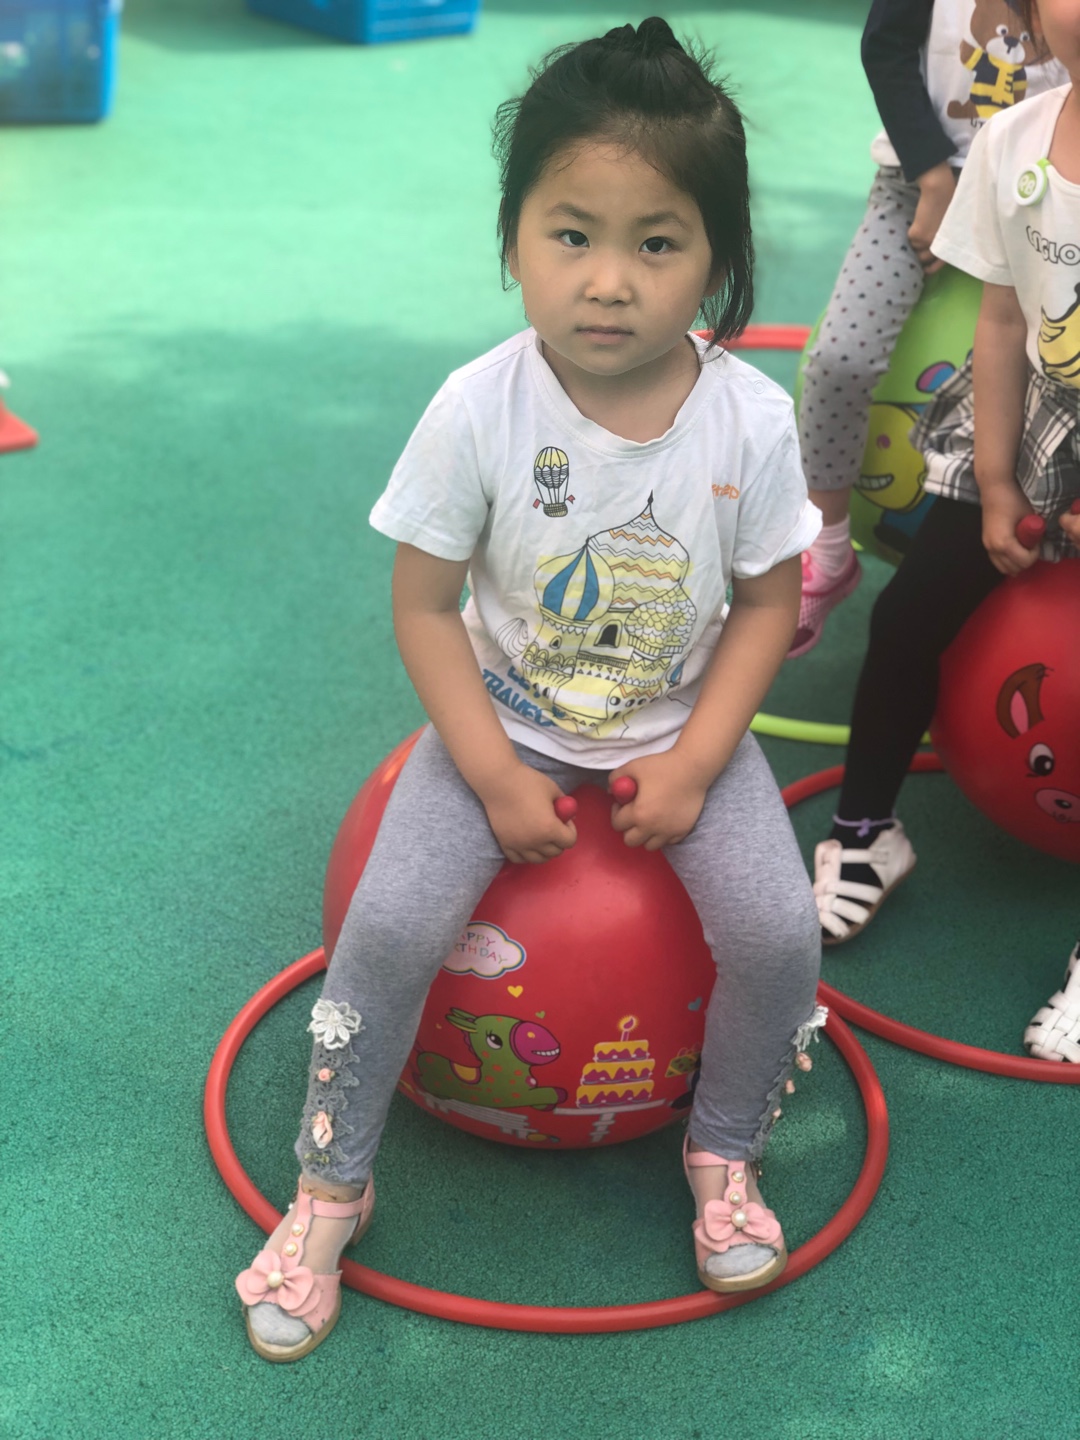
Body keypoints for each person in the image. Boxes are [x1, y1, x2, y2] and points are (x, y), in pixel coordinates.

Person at [233, 17, 825, 1362]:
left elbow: (766, 606)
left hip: (684, 729)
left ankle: (724, 1150)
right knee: (389, 926)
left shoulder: (751, 419)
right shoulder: (476, 408)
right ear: (513, 239)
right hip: (502, 727)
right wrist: (495, 772)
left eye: (657, 244)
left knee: (781, 934)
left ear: (719, 261)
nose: (608, 282)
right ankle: (331, 1185)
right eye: (571, 234)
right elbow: (424, 608)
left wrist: (697, 763)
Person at [812, 0, 1080, 1056]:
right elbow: (1003, 320)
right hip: (1036, 414)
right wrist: (999, 482)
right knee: (907, 619)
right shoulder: (1015, 139)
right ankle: (865, 832)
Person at [791, 0, 1065, 657]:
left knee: (1059, 372)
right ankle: (827, 549)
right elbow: (885, 47)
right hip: (919, 185)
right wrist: (931, 175)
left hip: (1045, 187)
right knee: (839, 360)